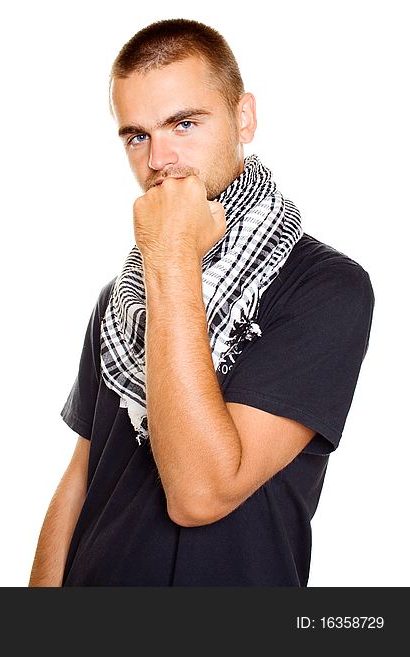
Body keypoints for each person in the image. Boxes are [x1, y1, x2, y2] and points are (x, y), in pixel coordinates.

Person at [28, 18, 374, 586]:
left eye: (184, 124)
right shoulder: (124, 299)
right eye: (137, 135)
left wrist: (169, 258)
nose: (159, 158)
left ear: (244, 117)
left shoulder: (324, 287)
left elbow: (201, 493)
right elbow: (80, 478)